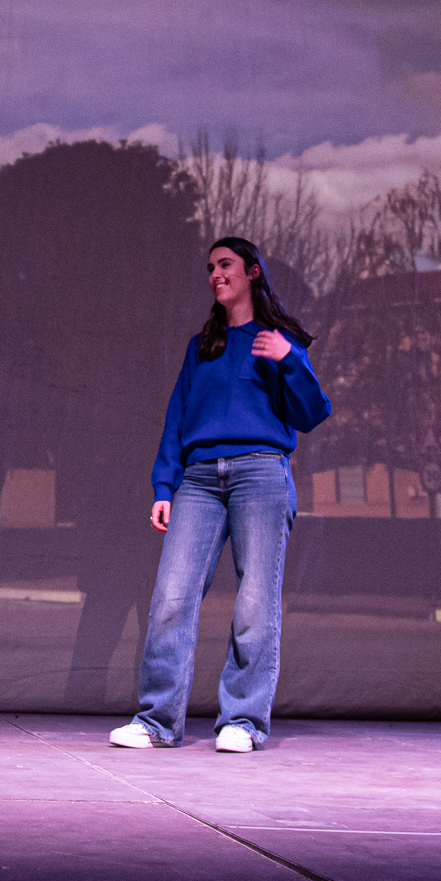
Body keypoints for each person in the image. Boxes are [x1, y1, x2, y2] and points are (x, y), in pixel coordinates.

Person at [109, 236, 330, 753]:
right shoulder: (201, 346)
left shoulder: (278, 342)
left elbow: (311, 413)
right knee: (171, 597)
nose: (215, 274)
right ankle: (157, 721)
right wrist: (164, 485)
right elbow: (177, 418)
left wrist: (290, 360)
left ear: (253, 272)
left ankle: (243, 722)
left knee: (255, 602)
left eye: (225, 264)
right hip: (200, 480)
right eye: (210, 267)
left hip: (261, 473)